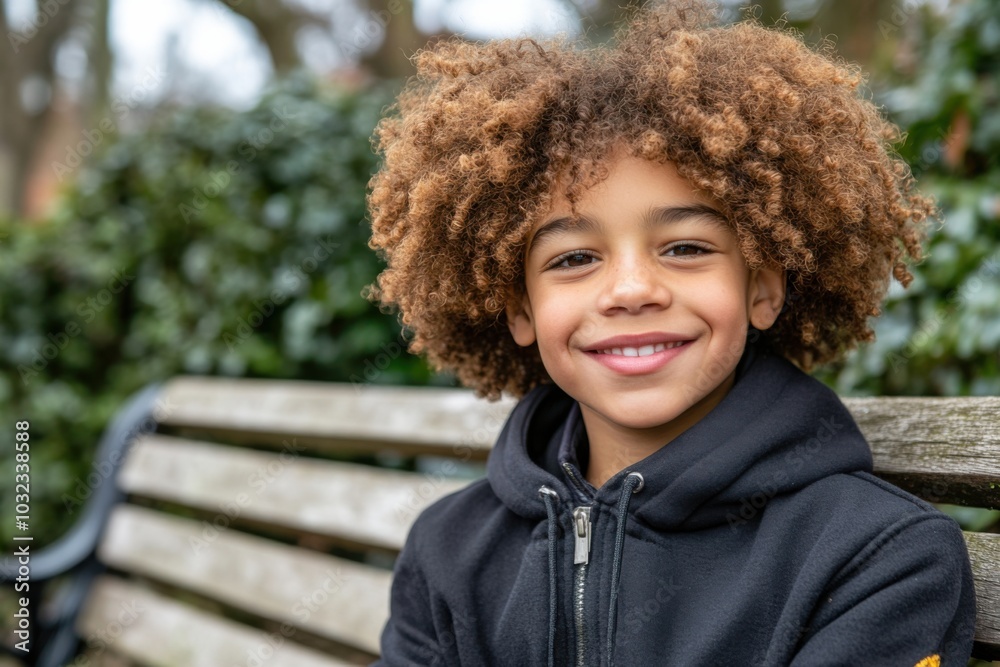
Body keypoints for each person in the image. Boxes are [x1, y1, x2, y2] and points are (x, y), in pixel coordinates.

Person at [362, 1, 977, 664]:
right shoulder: (448, 549)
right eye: (573, 259)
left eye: (684, 247)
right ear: (521, 310)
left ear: (763, 286)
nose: (631, 290)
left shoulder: (876, 558)